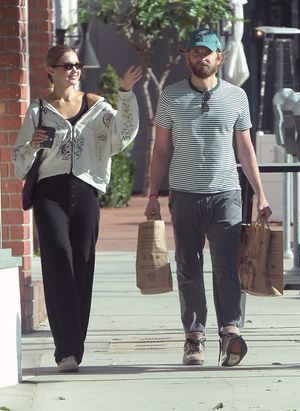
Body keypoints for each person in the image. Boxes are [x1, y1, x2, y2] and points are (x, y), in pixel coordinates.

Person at [144, 28, 272, 367]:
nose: (202, 57)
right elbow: (160, 149)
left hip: (226, 193)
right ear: (188, 56)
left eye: (208, 52)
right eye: (196, 52)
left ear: (219, 58)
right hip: (184, 194)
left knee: (229, 265)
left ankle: (230, 332)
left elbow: (245, 148)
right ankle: (194, 337)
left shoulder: (236, 97)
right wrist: (153, 194)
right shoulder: (171, 96)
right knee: (188, 265)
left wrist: (260, 194)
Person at [12, 45, 142, 372]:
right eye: (67, 65)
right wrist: (32, 145)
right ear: (50, 71)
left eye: (77, 64)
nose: (74, 70)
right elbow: (18, 162)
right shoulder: (38, 110)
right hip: (49, 193)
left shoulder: (96, 105)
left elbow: (123, 135)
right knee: (57, 262)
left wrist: (125, 93)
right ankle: (65, 350)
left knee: (82, 265)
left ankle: (75, 346)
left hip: (86, 189)